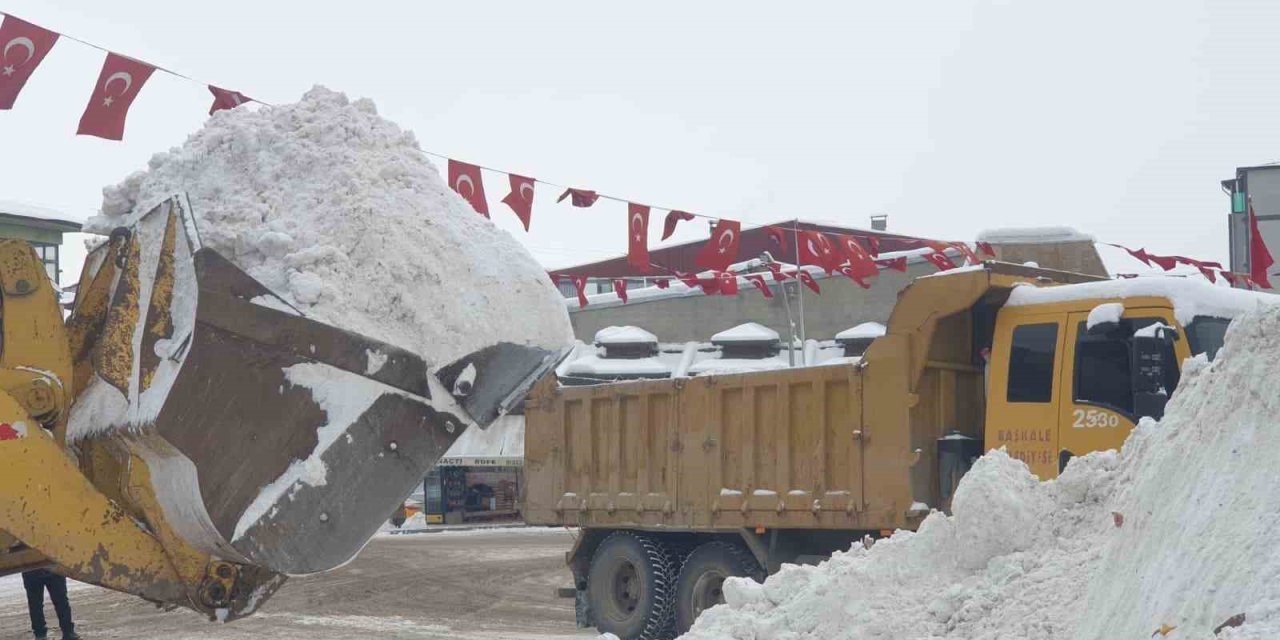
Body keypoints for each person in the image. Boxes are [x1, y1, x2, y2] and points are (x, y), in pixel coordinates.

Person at [22, 568, 79, 640]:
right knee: (60, 601)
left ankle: (41, 634)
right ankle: (67, 632)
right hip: (50, 568)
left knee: (36, 604)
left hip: (34, 570)